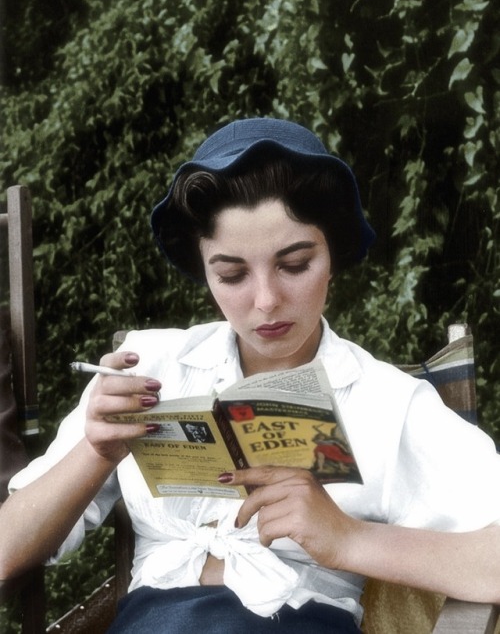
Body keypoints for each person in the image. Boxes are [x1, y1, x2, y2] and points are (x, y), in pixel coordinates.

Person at [1, 118, 499, 633]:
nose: (265, 302)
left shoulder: (387, 403)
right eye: (232, 275)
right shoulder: (151, 368)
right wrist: (94, 452)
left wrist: (349, 538)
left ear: (331, 256)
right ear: (204, 271)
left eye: (295, 264)